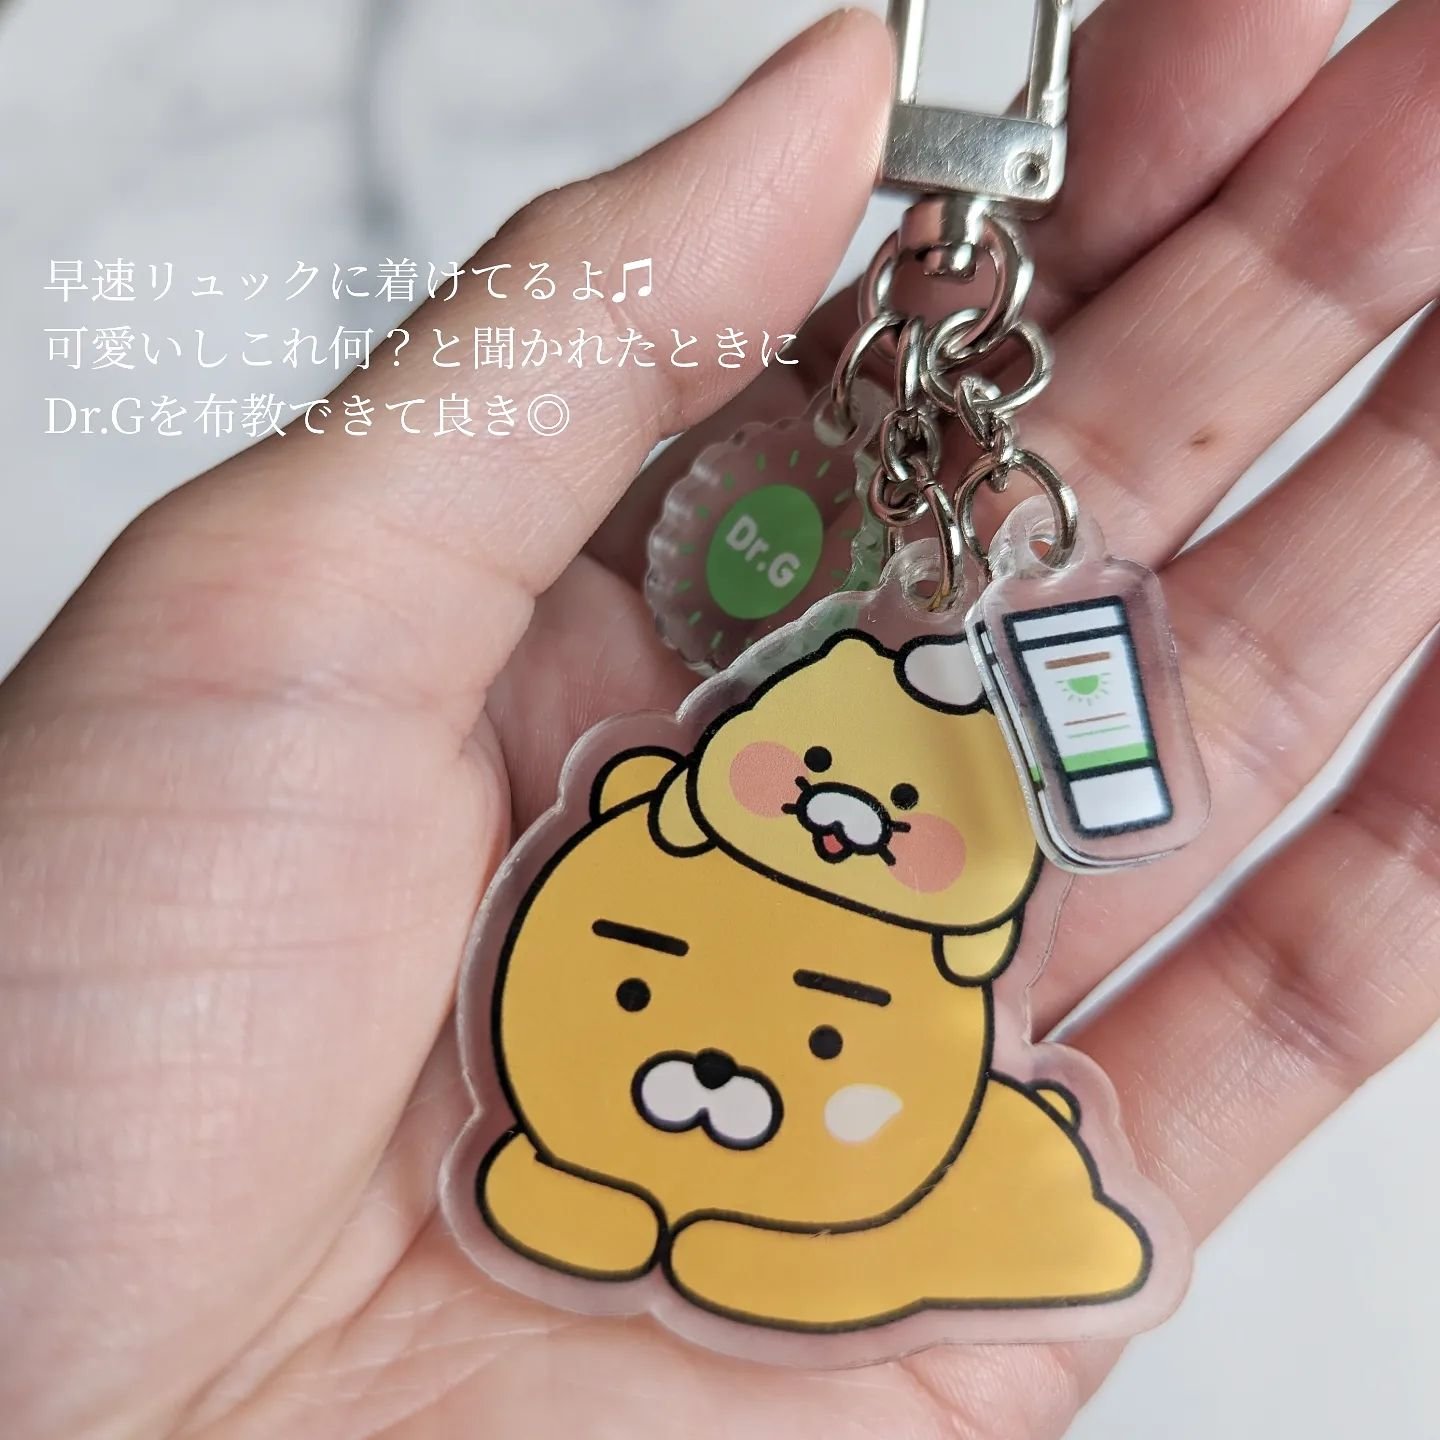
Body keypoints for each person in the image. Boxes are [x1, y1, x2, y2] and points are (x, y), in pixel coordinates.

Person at [3, 4, 1438, 1436]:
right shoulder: (671, 818)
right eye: (820, 766)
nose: (845, 812)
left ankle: (816, 1230)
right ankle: (622, 1180)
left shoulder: (933, 934)